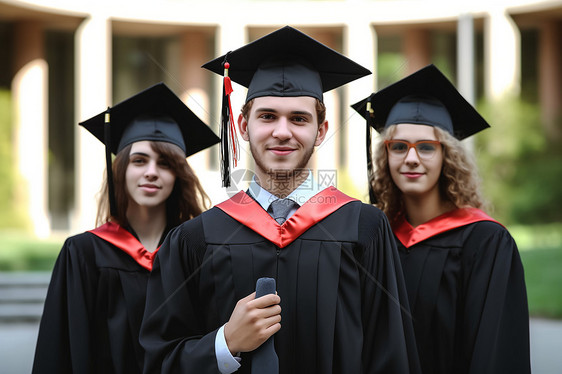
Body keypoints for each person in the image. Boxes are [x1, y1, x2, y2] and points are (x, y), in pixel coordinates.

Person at [140, 26, 420, 374]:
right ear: (243, 126)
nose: (282, 132)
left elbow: (391, 356)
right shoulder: (195, 239)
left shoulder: (365, 228)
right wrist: (225, 343)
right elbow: (160, 361)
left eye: (299, 119)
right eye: (268, 116)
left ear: (320, 130)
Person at [353, 64, 531, 374]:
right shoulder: (373, 241)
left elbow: (496, 354)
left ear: (447, 156)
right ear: (385, 156)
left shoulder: (484, 243)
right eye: (398, 147)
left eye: (426, 147)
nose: (411, 158)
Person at [32, 83, 220, 374]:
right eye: (139, 160)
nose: (151, 172)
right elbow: (60, 352)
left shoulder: (198, 253)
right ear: (121, 169)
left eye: (165, 163)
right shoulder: (83, 254)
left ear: (178, 176)